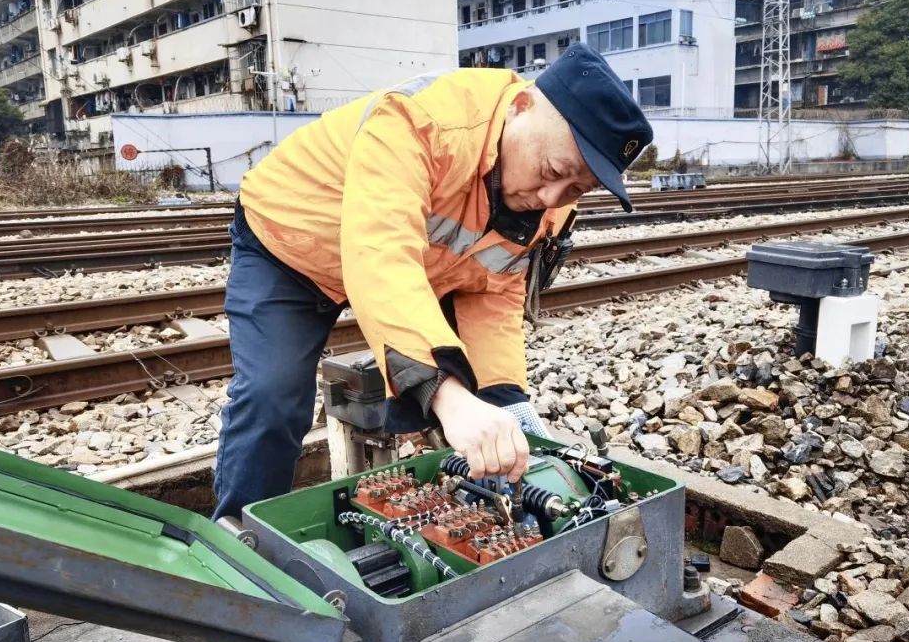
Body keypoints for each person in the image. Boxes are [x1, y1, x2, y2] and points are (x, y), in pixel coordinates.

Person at [212, 43, 653, 521]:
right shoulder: (419, 122)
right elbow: (380, 252)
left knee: (459, 393)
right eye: (552, 172)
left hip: (420, 262)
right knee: (273, 399)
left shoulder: (549, 204)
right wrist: (447, 393)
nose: (550, 196)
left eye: (577, 189)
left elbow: (493, 293)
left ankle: (473, 516)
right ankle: (236, 535)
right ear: (522, 106)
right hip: (291, 243)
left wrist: (505, 396)